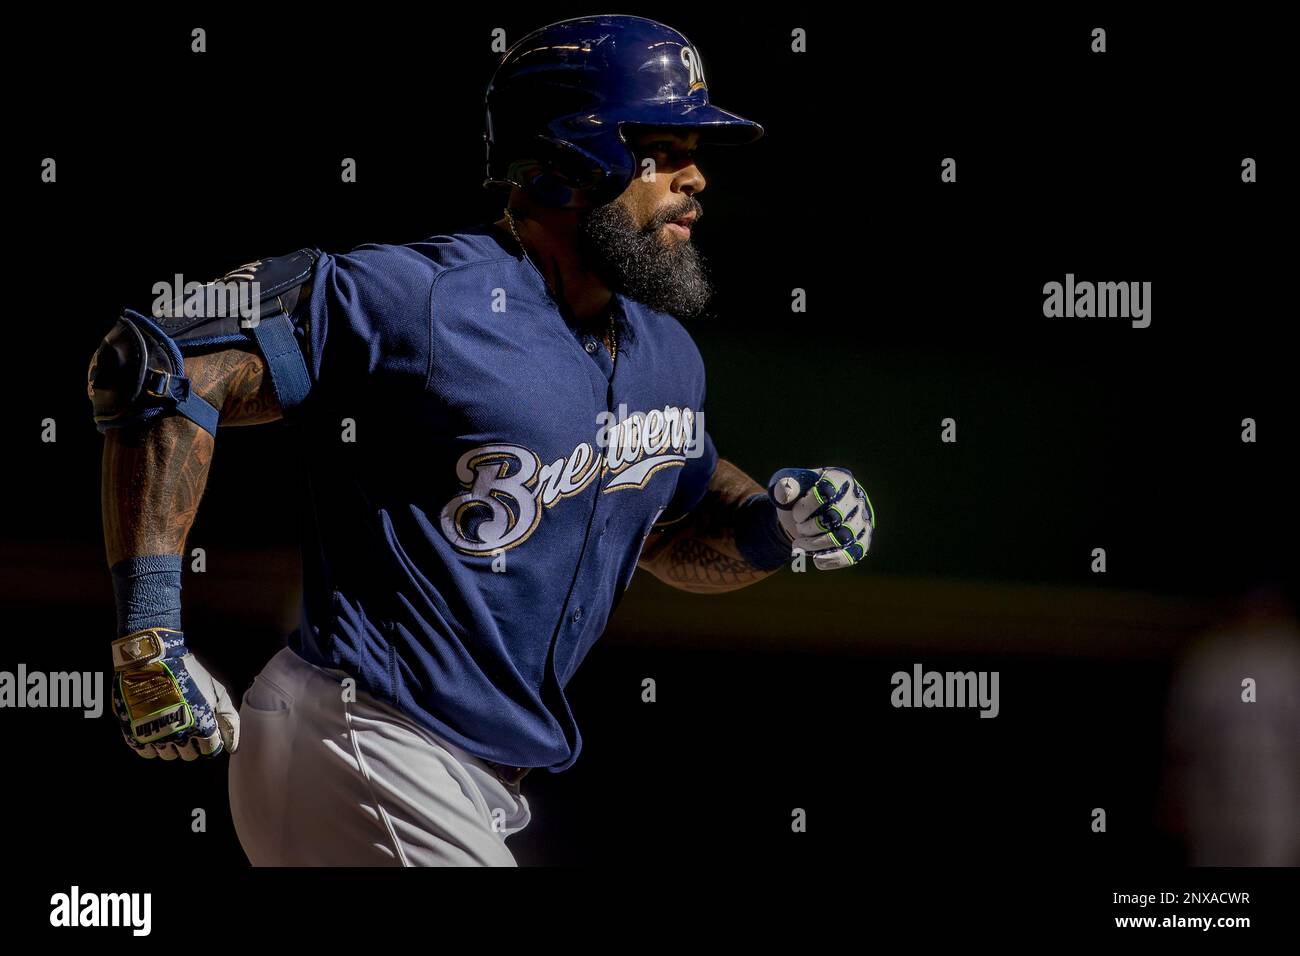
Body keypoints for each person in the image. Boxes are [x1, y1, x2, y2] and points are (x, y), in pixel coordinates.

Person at [89, 14, 875, 866]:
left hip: (467, 782)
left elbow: (669, 531)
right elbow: (156, 359)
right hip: (364, 741)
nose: (697, 178)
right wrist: (149, 632)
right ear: (578, 156)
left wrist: (774, 525)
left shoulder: (664, 355)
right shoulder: (425, 298)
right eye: (665, 148)